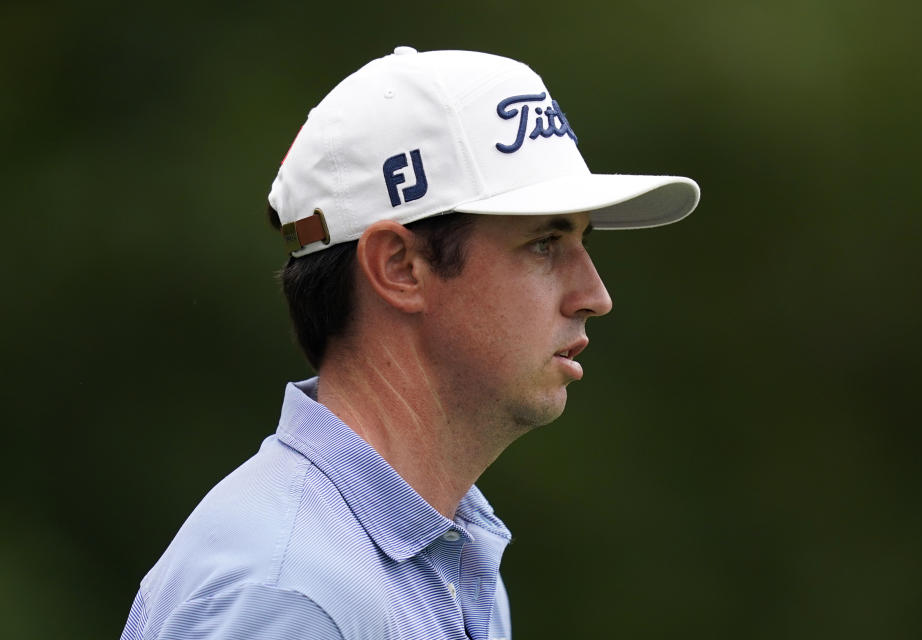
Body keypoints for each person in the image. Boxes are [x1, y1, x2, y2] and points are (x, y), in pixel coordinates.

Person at [119, 46, 700, 640]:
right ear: (399, 268)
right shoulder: (289, 593)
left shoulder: (451, 558)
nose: (594, 295)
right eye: (544, 243)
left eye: (581, 241)